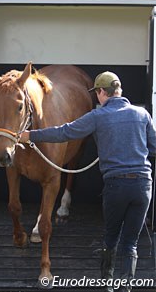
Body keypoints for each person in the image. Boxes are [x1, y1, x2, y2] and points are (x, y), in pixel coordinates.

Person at [19, 71, 156, 292]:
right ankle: (126, 288)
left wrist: (31, 135)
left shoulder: (98, 116)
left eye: (97, 94)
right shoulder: (142, 114)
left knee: (111, 239)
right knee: (131, 243)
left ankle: (107, 285)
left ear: (102, 92)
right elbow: (154, 147)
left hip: (116, 186)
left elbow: (64, 132)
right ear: (119, 91)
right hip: (143, 187)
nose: (96, 98)